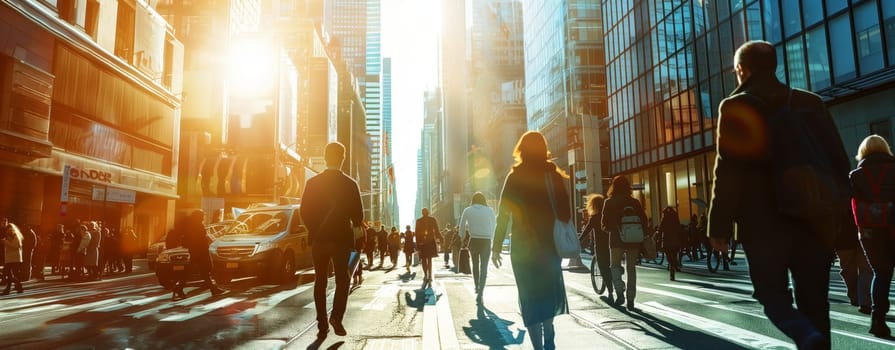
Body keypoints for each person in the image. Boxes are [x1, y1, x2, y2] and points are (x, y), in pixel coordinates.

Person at [708, 40, 853, 349]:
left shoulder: (735, 106)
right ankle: (815, 338)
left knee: (771, 295)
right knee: (815, 302)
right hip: (815, 220)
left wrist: (719, 227)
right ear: (774, 66)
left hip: (763, 224)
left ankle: (805, 335)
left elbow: (728, 170)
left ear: (741, 70)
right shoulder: (810, 103)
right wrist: (844, 227)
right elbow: (839, 164)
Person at [491, 131, 569, 350]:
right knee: (547, 293)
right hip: (549, 245)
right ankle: (549, 338)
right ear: (544, 149)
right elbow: (565, 212)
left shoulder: (514, 177)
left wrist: (496, 247)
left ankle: (537, 347)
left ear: (521, 150)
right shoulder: (553, 176)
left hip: (522, 248)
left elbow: (503, 214)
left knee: (529, 297)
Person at [300, 142, 365, 339]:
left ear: (326, 157)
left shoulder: (312, 183)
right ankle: (336, 318)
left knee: (320, 281)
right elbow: (359, 217)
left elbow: (304, 211)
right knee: (342, 280)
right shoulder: (351, 184)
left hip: (319, 241)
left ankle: (321, 324)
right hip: (342, 240)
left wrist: (315, 229)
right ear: (342, 158)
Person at [848, 134, 895, 337]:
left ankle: (878, 320)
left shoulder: (855, 175)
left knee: (880, 273)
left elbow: (851, 204)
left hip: (869, 232)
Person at [601, 175, 648, 310]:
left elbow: (604, 225)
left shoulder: (609, 202)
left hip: (616, 239)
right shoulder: (634, 202)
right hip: (633, 240)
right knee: (631, 268)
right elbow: (644, 221)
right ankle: (631, 299)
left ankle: (620, 292)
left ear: (613, 187)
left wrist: (615, 228)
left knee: (614, 266)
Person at [173, 210, 226, 301]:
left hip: (198, 251)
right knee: (194, 271)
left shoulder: (194, 225)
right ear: (198, 217)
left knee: (204, 272)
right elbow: (198, 239)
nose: (203, 218)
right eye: (202, 216)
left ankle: (213, 289)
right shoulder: (196, 225)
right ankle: (179, 288)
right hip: (199, 252)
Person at [457, 192, 496, 305]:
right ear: (484, 200)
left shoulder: (467, 210)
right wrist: (492, 237)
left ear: (473, 200)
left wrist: (463, 237)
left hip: (473, 240)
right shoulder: (489, 210)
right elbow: (494, 224)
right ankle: (481, 293)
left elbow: (462, 224)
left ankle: (476, 287)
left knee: (475, 265)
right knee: (484, 267)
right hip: (486, 240)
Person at [581, 194, 613, 300]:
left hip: (600, 246)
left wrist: (578, 241)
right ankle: (619, 283)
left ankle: (610, 292)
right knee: (613, 266)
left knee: (603, 267)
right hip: (612, 244)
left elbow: (586, 230)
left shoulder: (594, 218)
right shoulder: (608, 215)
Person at [415, 208, 442, 289]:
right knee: (429, 259)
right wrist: (441, 238)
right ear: (428, 213)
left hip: (422, 243)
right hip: (430, 242)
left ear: (422, 213)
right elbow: (437, 231)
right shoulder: (432, 219)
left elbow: (416, 233)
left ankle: (426, 275)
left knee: (423, 259)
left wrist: (417, 244)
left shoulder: (418, 221)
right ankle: (429, 275)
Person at [658, 207, 684, 281]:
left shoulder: (664, 219)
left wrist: (659, 238)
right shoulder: (675, 218)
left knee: (668, 255)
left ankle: (672, 266)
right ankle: (674, 265)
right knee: (674, 254)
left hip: (666, 240)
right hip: (675, 240)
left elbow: (660, 229)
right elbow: (679, 228)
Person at [1, 220, 23, 294]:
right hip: (10, 258)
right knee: (9, 273)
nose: (8, 231)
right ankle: (17, 287)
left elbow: (16, 246)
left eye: (9, 229)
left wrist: (6, 242)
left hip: (15, 258)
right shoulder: (9, 236)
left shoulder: (16, 236)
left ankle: (11, 288)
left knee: (11, 273)